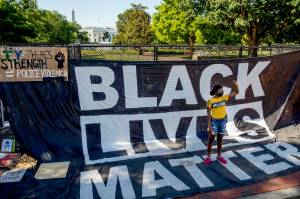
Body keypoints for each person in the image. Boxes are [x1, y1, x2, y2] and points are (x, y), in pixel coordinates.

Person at [204, 80, 239, 165]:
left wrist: (236, 85)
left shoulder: (224, 97)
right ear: (216, 91)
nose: (222, 91)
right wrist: (209, 125)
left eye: (222, 90)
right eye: (220, 90)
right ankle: (208, 156)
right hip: (214, 122)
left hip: (223, 121)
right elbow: (208, 114)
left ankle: (219, 156)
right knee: (211, 139)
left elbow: (236, 92)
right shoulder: (210, 101)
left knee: (220, 139)